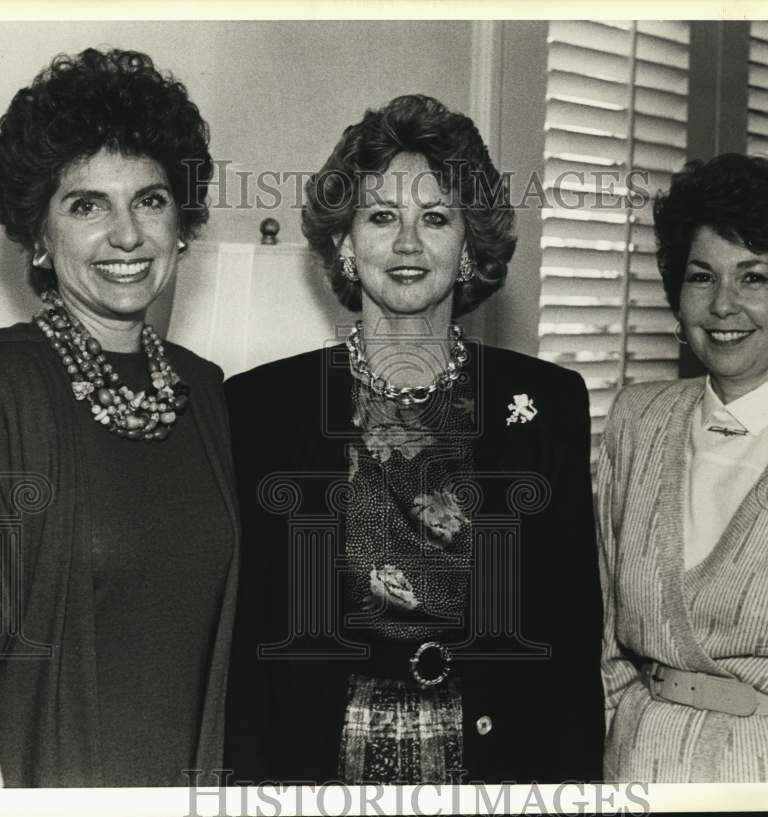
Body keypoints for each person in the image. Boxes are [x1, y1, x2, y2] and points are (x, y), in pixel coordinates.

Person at [223, 94, 602, 784]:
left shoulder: (547, 404)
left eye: (434, 218)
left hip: (498, 766)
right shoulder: (261, 409)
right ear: (343, 242)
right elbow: (242, 655)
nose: (406, 244)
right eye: (380, 217)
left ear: (469, 244)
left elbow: (571, 645)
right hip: (315, 767)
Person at [0, 48, 240, 787]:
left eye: (151, 199)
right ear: (38, 235)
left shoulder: (207, 392)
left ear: (183, 223)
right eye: (86, 204)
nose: (126, 234)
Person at [597, 153, 768, 782]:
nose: (723, 304)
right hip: (634, 773)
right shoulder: (637, 422)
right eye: (702, 277)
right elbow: (605, 648)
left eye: (753, 278)